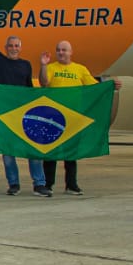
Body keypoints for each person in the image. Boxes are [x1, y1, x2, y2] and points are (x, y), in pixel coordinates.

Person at [0, 0, 50, 196]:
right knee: (8, 153)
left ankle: (39, 183)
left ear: (20, 48)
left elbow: (28, 88)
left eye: (16, 46)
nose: (13, 49)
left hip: (24, 113)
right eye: (10, 46)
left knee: (33, 150)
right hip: (5, 114)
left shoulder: (26, 65)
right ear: (6, 48)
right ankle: (14, 184)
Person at [39, 40, 99, 195]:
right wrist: (43, 65)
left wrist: (112, 85)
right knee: (51, 152)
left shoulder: (80, 69)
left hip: (72, 118)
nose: (61, 52)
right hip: (53, 117)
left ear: (71, 52)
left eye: (64, 50)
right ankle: (48, 184)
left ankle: (71, 185)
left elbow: (94, 87)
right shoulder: (51, 67)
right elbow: (44, 83)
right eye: (58, 50)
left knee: (71, 153)